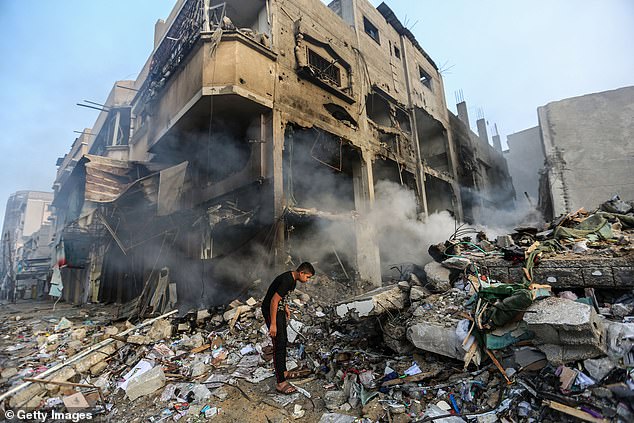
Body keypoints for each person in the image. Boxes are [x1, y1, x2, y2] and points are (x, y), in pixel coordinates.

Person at [261, 262, 315, 394]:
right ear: (301, 273)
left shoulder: (293, 281)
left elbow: (281, 297)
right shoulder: (287, 280)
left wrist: (285, 307)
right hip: (270, 310)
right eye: (307, 277)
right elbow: (274, 301)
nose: (307, 280)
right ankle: (280, 382)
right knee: (278, 342)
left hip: (278, 310)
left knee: (283, 340)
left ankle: (283, 372)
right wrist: (273, 324)